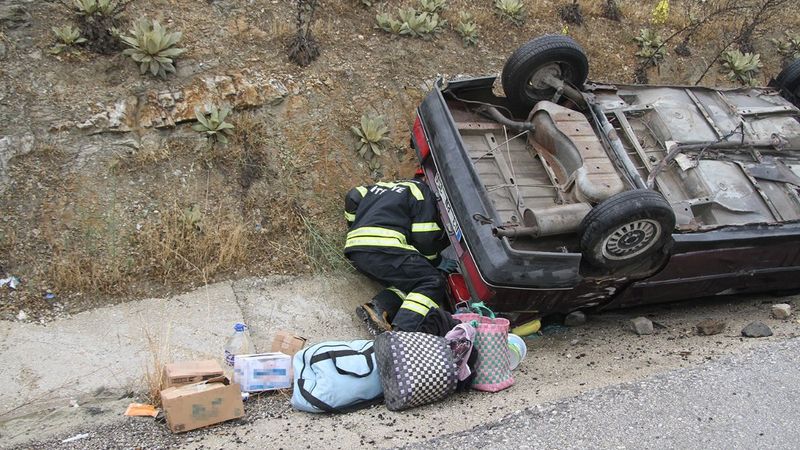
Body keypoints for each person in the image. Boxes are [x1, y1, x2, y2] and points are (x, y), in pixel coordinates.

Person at [344, 173, 458, 336]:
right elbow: (424, 236)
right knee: (431, 281)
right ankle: (403, 331)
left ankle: (378, 308)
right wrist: (436, 260)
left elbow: (353, 196)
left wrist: (355, 225)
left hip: (356, 250)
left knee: (411, 281)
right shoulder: (421, 190)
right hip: (385, 248)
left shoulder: (381, 186)